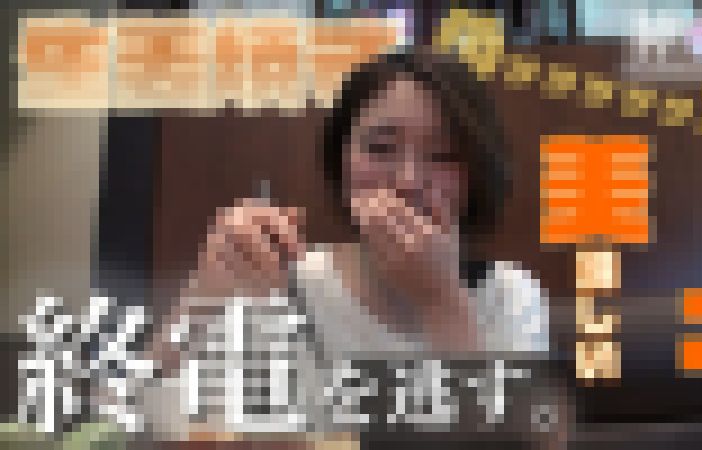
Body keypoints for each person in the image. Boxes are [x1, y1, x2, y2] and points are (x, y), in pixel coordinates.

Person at [152, 47, 558, 445]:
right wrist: (202, 295)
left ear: (475, 174)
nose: (408, 181)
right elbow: (152, 421)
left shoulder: (510, 296)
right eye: (380, 148)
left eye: (444, 154)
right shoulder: (283, 281)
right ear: (341, 162)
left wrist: (442, 303)